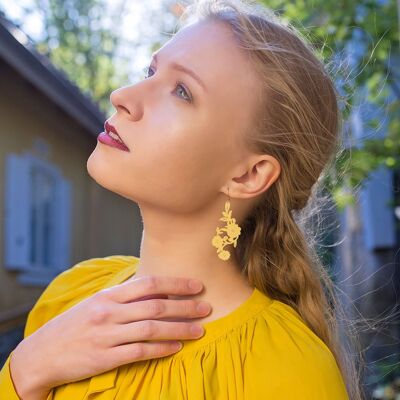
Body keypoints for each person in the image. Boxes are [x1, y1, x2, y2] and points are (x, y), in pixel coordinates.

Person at [0, 0, 360, 398]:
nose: (123, 95)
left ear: (248, 174)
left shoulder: (291, 373)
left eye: (182, 91)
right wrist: (26, 371)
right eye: (150, 71)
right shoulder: (71, 294)